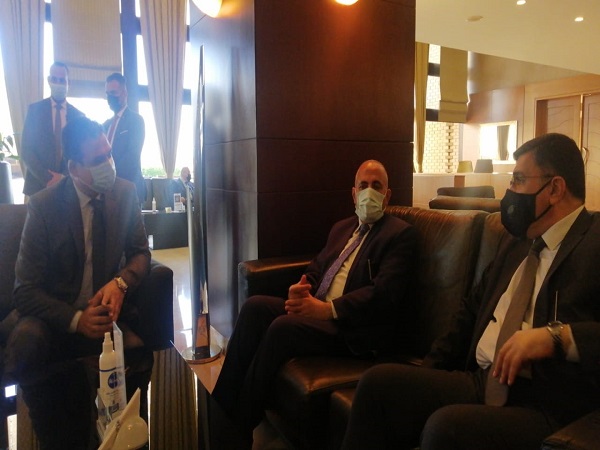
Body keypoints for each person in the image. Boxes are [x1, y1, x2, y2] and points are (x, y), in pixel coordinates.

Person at [341, 133, 600, 450]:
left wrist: (555, 337)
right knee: (378, 383)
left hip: (545, 404)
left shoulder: (594, 242)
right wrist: (427, 376)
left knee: (445, 428)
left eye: (519, 180)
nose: (510, 192)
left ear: (555, 189)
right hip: (482, 380)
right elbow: (469, 313)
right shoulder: (516, 241)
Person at [211, 159, 418, 447]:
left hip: (354, 329)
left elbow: (384, 294)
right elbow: (318, 267)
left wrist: (328, 310)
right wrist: (302, 287)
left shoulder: (400, 234)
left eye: (377, 186)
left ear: (388, 195)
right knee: (254, 307)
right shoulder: (342, 228)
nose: (369, 192)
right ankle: (217, 411)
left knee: (283, 327)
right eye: (363, 186)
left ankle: (236, 429)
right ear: (353, 194)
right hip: (318, 310)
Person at [5, 116, 150, 449]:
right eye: (98, 159)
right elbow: (24, 290)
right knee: (29, 346)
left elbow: (141, 253)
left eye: (109, 154)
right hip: (55, 317)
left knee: (141, 350)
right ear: (74, 168)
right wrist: (76, 320)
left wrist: (120, 283)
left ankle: (125, 435)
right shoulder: (44, 206)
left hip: (105, 317)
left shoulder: (125, 193)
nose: (109, 164)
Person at [20, 61, 85, 197]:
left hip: (68, 186)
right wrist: (48, 178)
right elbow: (26, 149)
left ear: (69, 82)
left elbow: (80, 153)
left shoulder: (79, 116)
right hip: (38, 186)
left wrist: (63, 177)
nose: (58, 83)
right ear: (49, 80)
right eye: (54, 79)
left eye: (62, 80)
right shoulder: (34, 110)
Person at [103, 73, 146, 204]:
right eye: (107, 93)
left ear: (125, 93)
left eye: (113, 93)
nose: (110, 97)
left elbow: (132, 156)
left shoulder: (136, 120)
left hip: (129, 189)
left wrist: (108, 176)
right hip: (106, 190)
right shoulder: (105, 125)